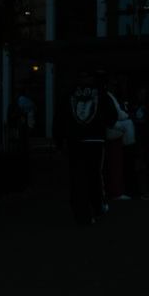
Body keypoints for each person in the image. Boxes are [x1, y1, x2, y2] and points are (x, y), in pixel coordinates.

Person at [63, 71, 118, 223]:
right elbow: (112, 115)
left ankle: (82, 212)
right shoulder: (101, 93)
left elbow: (60, 116)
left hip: (75, 140)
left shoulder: (68, 93)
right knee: (94, 174)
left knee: (77, 176)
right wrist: (103, 125)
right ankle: (97, 206)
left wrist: (61, 138)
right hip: (95, 139)